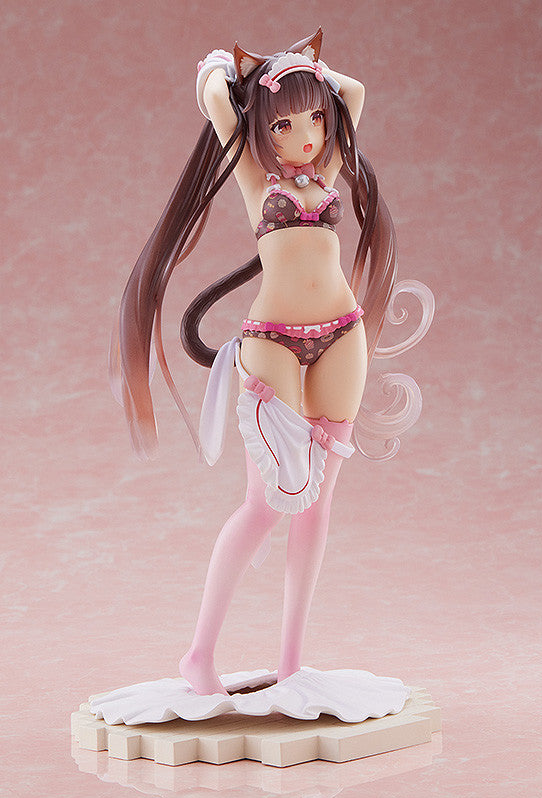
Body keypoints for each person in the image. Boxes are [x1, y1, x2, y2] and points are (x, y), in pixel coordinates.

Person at [110, 30, 433, 696]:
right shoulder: (256, 177)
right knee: (264, 506)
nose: (306, 135)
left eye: (313, 118)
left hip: (342, 335)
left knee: (319, 506)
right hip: (273, 342)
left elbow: (353, 93)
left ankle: (291, 663)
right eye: (285, 124)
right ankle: (198, 654)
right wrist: (224, 71)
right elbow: (214, 100)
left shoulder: (330, 168)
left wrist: (300, 69)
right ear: (263, 129)